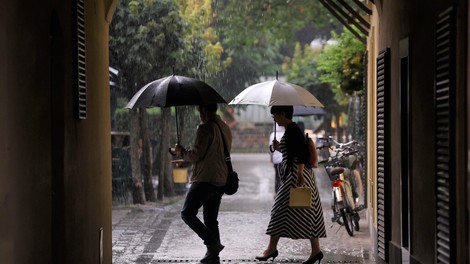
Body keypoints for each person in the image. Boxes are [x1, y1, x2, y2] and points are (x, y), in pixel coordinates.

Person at [256, 105, 326, 264]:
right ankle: (315, 251)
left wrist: (300, 175)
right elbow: (294, 151)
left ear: (282, 114)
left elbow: (300, 154)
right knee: (309, 212)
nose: (273, 119)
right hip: (296, 174)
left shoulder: (293, 130)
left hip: (296, 175)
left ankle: (271, 248)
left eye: (275, 115)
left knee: (278, 210)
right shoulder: (291, 130)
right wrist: (279, 147)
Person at [175, 104, 232, 264]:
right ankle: (213, 257)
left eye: (200, 111)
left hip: (205, 179)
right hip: (221, 179)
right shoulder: (225, 127)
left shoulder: (205, 128)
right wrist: (188, 160)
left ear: (205, 111)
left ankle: (212, 244)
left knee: (187, 213)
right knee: (211, 219)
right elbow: (214, 154)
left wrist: (182, 152)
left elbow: (197, 154)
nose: (200, 115)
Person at [269, 124, 285, 194]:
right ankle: (283, 193)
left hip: (276, 160)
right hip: (284, 160)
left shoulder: (273, 135)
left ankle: (277, 193)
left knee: (277, 177)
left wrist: (271, 158)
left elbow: (271, 149)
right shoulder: (286, 134)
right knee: (284, 177)